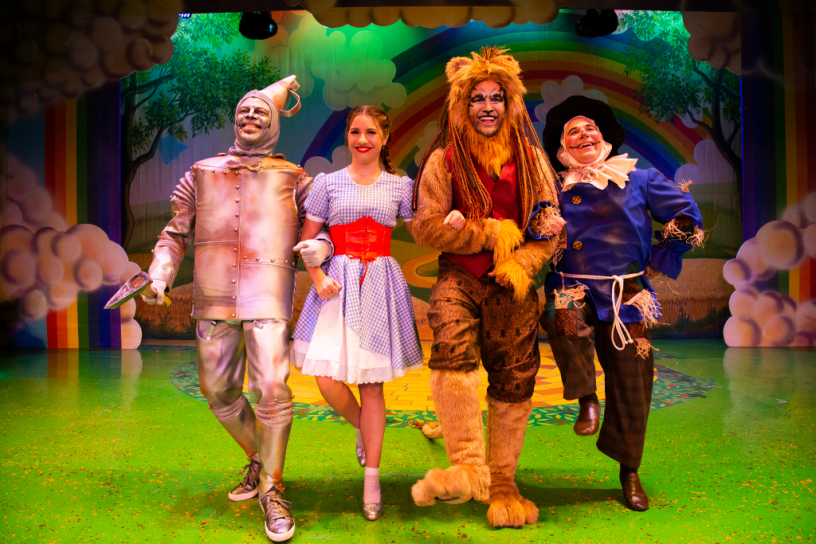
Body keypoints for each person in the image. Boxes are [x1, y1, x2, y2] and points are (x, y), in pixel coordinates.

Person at [141, 76, 333, 542]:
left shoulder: (294, 178)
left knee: (271, 387)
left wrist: (322, 248)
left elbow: (322, 228)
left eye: (260, 112)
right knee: (218, 391)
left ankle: (273, 488)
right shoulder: (201, 172)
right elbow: (174, 233)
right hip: (212, 299)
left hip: (268, 296)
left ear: (274, 124)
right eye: (244, 110)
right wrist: (160, 274)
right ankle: (259, 460)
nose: (250, 116)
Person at [409, 47, 563, 528]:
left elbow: (550, 227)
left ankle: (502, 482)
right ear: (462, 104)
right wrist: (486, 232)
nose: (488, 106)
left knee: (514, 375)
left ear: (511, 103)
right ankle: (468, 467)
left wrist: (521, 263)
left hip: (513, 283)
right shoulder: (444, 161)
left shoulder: (532, 161)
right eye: (477, 98)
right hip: (460, 275)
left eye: (497, 97)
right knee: (451, 347)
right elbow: (425, 228)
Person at [539, 95, 704, 512]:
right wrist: (543, 225)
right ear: (562, 146)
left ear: (604, 136)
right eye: (573, 132)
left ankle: (629, 471)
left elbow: (687, 216)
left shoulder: (639, 178)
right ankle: (586, 399)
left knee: (635, 379)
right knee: (561, 315)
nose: (584, 135)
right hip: (570, 283)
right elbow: (531, 228)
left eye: (590, 128)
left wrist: (661, 256)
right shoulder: (551, 187)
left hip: (626, 292)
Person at [291, 105, 424, 521]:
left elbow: (422, 232)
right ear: (347, 136)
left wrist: (449, 219)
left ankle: (372, 479)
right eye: (354, 131)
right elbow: (307, 241)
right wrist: (318, 278)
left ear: (384, 138)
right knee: (326, 379)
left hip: (380, 283)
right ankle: (362, 428)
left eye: (370, 132)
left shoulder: (400, 186)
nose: (362, 139)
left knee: (372, 387)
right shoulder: (327, 183)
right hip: (336, 284)